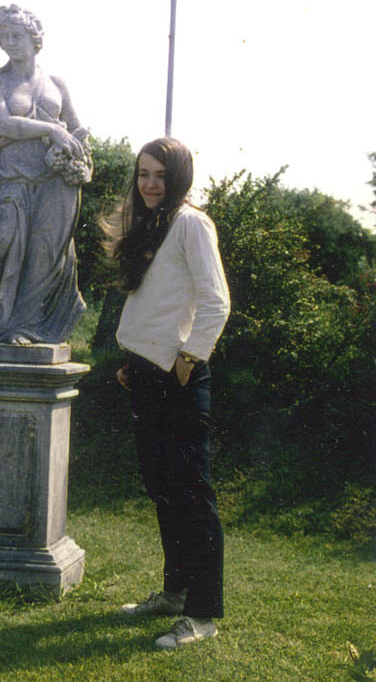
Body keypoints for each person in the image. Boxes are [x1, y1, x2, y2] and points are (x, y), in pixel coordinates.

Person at [111, 137, 230, 650]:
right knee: (163, 491)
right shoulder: (151, 226)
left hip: (179, 378)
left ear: (179, 176)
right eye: (143, 174)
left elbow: (216, 302)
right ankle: (176, 593)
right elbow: (154, 302)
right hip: (145, 372)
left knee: (191, 496)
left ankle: (202, 615)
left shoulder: (190, 222)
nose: (150, 183)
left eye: (160, 174)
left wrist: (187, 358)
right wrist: (135, 358)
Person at [0, 4, 92, 345]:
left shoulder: (56, 83)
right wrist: (52, 131)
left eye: (17, 35)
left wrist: (84, 158)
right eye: (4, 36)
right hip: (13, 183)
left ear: (34, 37)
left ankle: (25, 327)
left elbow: (77, 128)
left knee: (43, 256)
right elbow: (3, 124)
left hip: (56, 184)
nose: (10, 42)